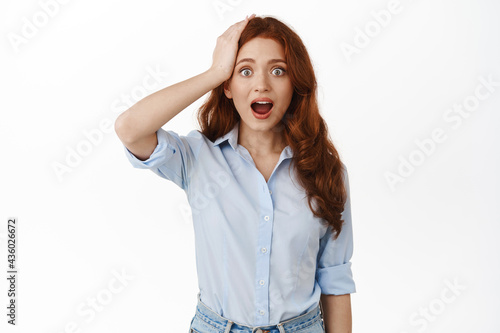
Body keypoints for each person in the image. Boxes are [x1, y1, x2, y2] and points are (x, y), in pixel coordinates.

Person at [115, 14, 356, 333]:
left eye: (278, 70)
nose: (261, 84)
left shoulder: (327, 171)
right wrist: (214, 72)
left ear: (294, 84)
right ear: (227, 86)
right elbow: (129, 129)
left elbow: (335, 276)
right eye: (245, 70)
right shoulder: (199, 157)